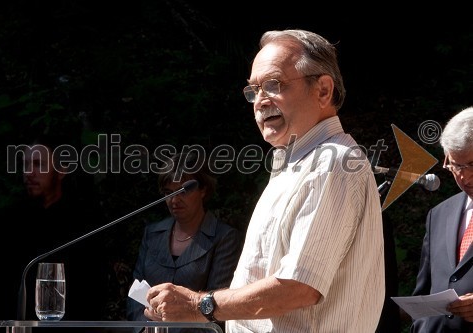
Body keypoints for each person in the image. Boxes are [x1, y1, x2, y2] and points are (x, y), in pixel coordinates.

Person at [141, 29, 386, 332]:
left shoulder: (332, 162)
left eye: (273, 85)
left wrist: (198, 305)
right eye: (254, 90)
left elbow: (299, 287)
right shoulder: (296, 163)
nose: (260, 101)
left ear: (323, 90)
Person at [0, 133, 111, 331]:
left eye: (39, 164)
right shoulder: (3, 224)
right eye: (26, 165)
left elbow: (93, 295)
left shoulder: (83, 225)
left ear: (62, 170)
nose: (29, 172)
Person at [126, 152, 243, 332]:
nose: (174, 200)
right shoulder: (152, 234)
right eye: (168, 193)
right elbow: (135, 295)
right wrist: (145, 326)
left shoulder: (225, 238)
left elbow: (219, 304)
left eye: (183, 191)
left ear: (203, 189)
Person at [411, 106, 473, 332]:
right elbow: (424, 294)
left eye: (472, 165)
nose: (465, 177)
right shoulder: (438, 215)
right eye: (457, 166)